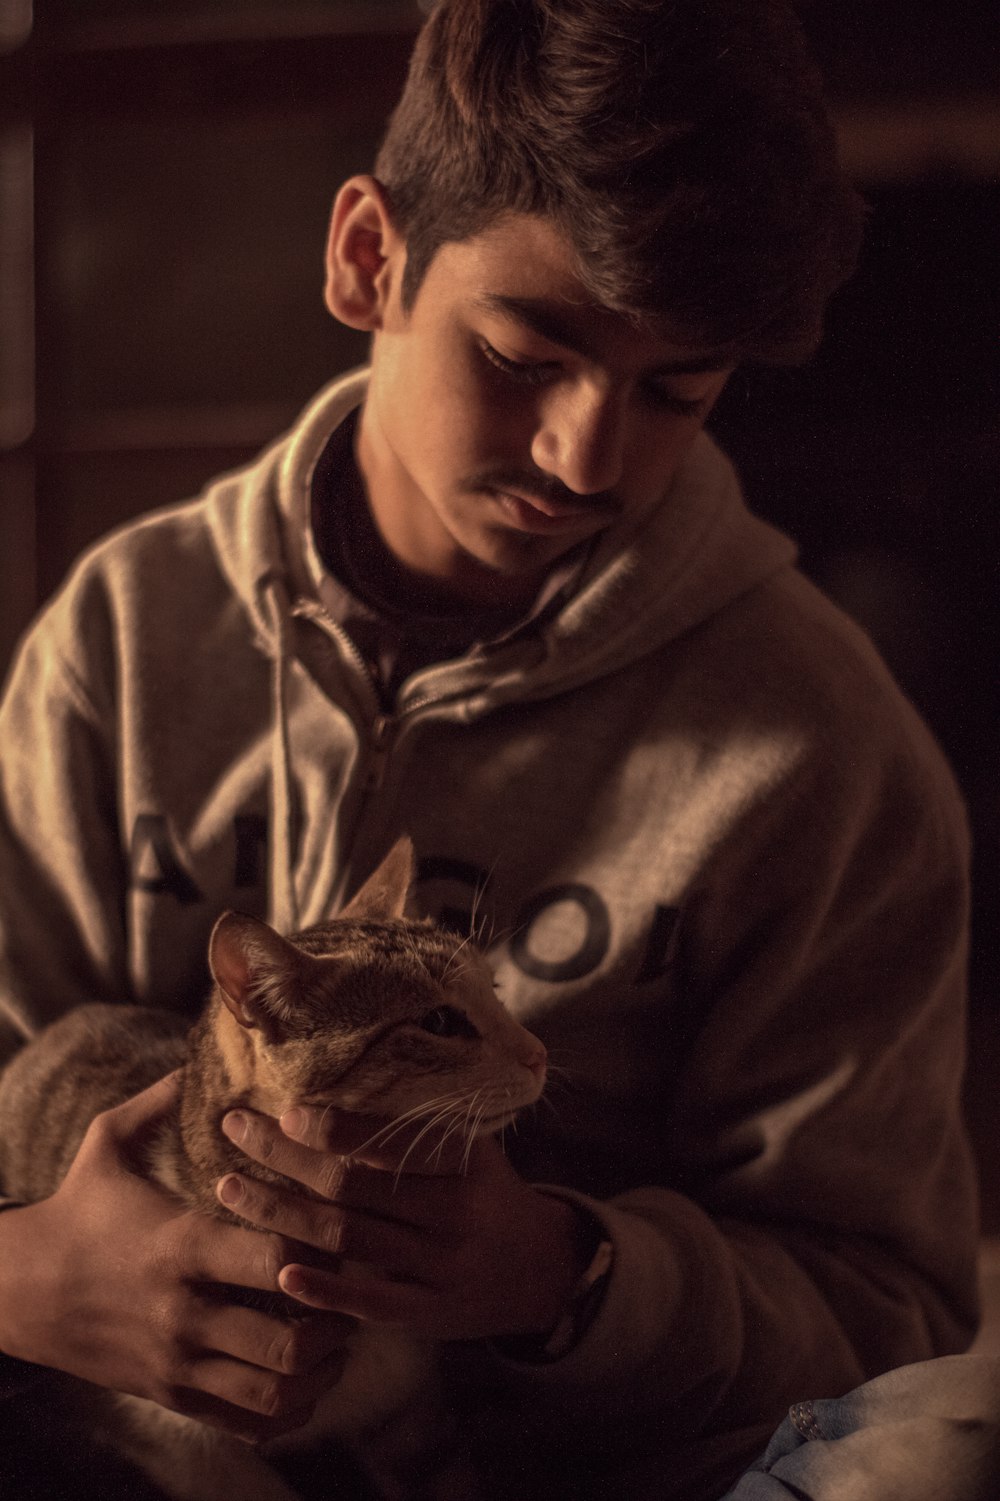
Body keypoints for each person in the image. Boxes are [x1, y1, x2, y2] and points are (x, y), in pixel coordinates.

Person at [0, 1, 981, 1498]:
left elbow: (898, 1314)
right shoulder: (120, 643)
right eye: (529, 354)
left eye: (676, 392)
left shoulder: (829, 748)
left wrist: (566, 1277)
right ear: (366, 258)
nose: (587, 456)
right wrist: (27, 1280)